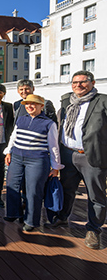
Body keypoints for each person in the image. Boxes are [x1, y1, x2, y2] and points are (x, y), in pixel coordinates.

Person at [50, 71, 107, 249]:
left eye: (83, 82)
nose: (78, 85)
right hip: (68, 153)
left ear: (92, 83)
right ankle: (62, 218)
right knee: (67, 189)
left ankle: (94, 230)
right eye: (75, 82)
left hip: (92, 156)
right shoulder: (67, 101)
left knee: (95, 195)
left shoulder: (103, 101)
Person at [3, 94, 62, 232]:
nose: (30, 106)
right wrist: (8, 151)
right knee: (12, 185)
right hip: (17, 157)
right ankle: (12, 213)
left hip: (37, 160)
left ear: (41, 106)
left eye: (34, 104)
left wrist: (56, 167)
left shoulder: (49, 123)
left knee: (33, 190)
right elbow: (14, 136)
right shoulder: (21, 119)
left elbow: (54, 146)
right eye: (28, 104)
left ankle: (31, 221)